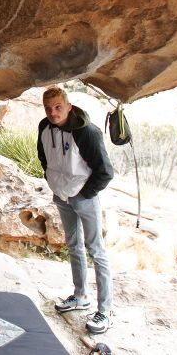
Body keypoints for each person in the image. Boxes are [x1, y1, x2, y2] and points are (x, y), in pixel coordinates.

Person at [37, 86, 115, 334]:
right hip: (61, 195)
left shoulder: (86, 132)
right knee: (73, 244)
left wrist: (84, 193)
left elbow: (105, 171)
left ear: (69, 107)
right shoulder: (44, 127)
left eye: (58, 107)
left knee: (96, 250)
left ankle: (106, 311)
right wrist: (53, 182)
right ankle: (80, 295)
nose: (53, 113)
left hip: (83, 197)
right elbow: (43, 156)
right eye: (48, 108)